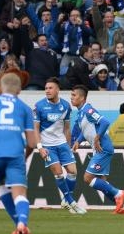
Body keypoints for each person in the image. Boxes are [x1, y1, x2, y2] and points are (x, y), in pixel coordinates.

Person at [0, 73, 36, 234]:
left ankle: (18, 226)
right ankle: (22, 223)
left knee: (2, 187)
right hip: (15, 154)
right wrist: (23, 158)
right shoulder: (24, 108)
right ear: (20, 89)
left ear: (1, 87)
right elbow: (31, 142)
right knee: (20, 193)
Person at [70, 85, 124, 214]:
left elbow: (105, 122)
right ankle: (122, 207)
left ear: (82, 98)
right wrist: (78, 141)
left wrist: (97, 138)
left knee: (87, 178)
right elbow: (85, 130)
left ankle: (119, 193)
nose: (71, 98)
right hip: (99, 149)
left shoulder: (88, 110)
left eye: (74, 95)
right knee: (102, 181)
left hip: (103, 148)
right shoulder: (81, 113)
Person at [33, 77, 86, 215]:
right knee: (58, 173)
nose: (47, 91)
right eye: (46, 88)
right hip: (47, 146)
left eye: (50, 88)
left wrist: (68, 147)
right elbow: (35, 129)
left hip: (62, 144)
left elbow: (67, 128)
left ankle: (65, 200)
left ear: (57, 90)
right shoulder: (39, 106)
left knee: (73, 171)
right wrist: (40, 147)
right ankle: (72, 202)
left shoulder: (66, 106)